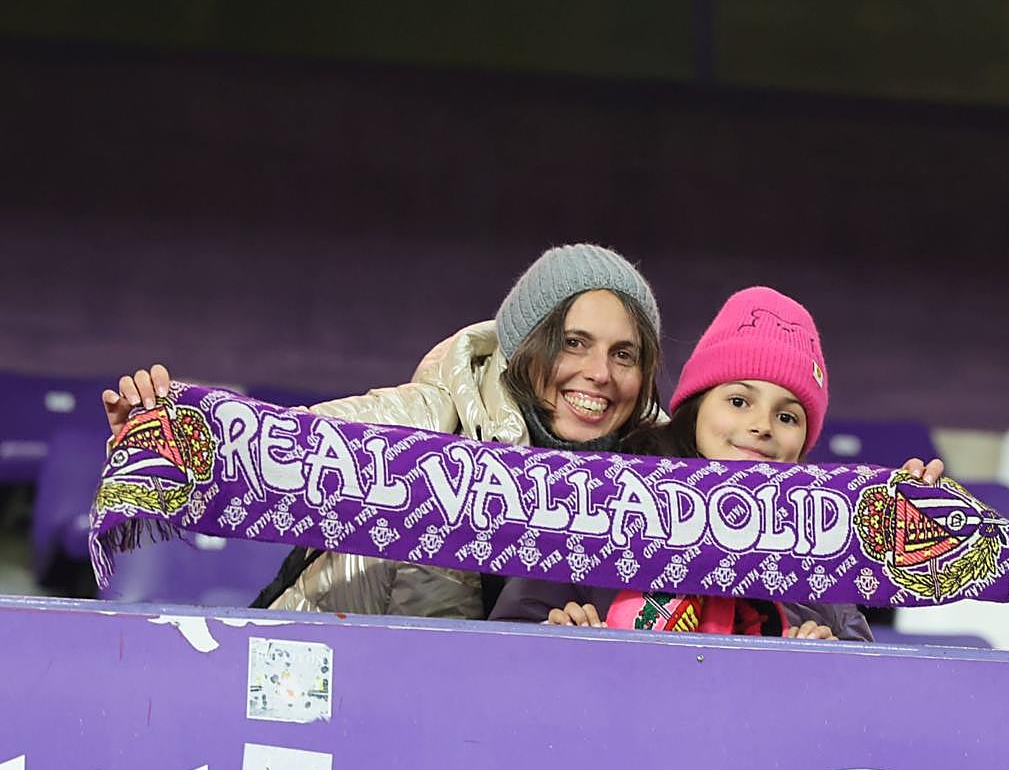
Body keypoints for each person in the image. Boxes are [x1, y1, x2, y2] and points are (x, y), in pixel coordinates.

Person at [101, 243, 665, 618]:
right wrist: (164, 427)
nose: (600, 374)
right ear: (523, 348)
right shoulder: (425, 420)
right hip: (329, 713)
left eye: (624, 354)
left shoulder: (667, 490)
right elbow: (285, 443)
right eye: (574, 343)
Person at [490, 286, 874, 640]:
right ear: (696, 408)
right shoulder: (605, 502)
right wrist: (554, 637)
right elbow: (504, 645)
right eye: (739, 401)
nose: (761, 427)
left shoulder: (818, 542)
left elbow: (874, 689)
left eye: (787, 417)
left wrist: (829, 663)